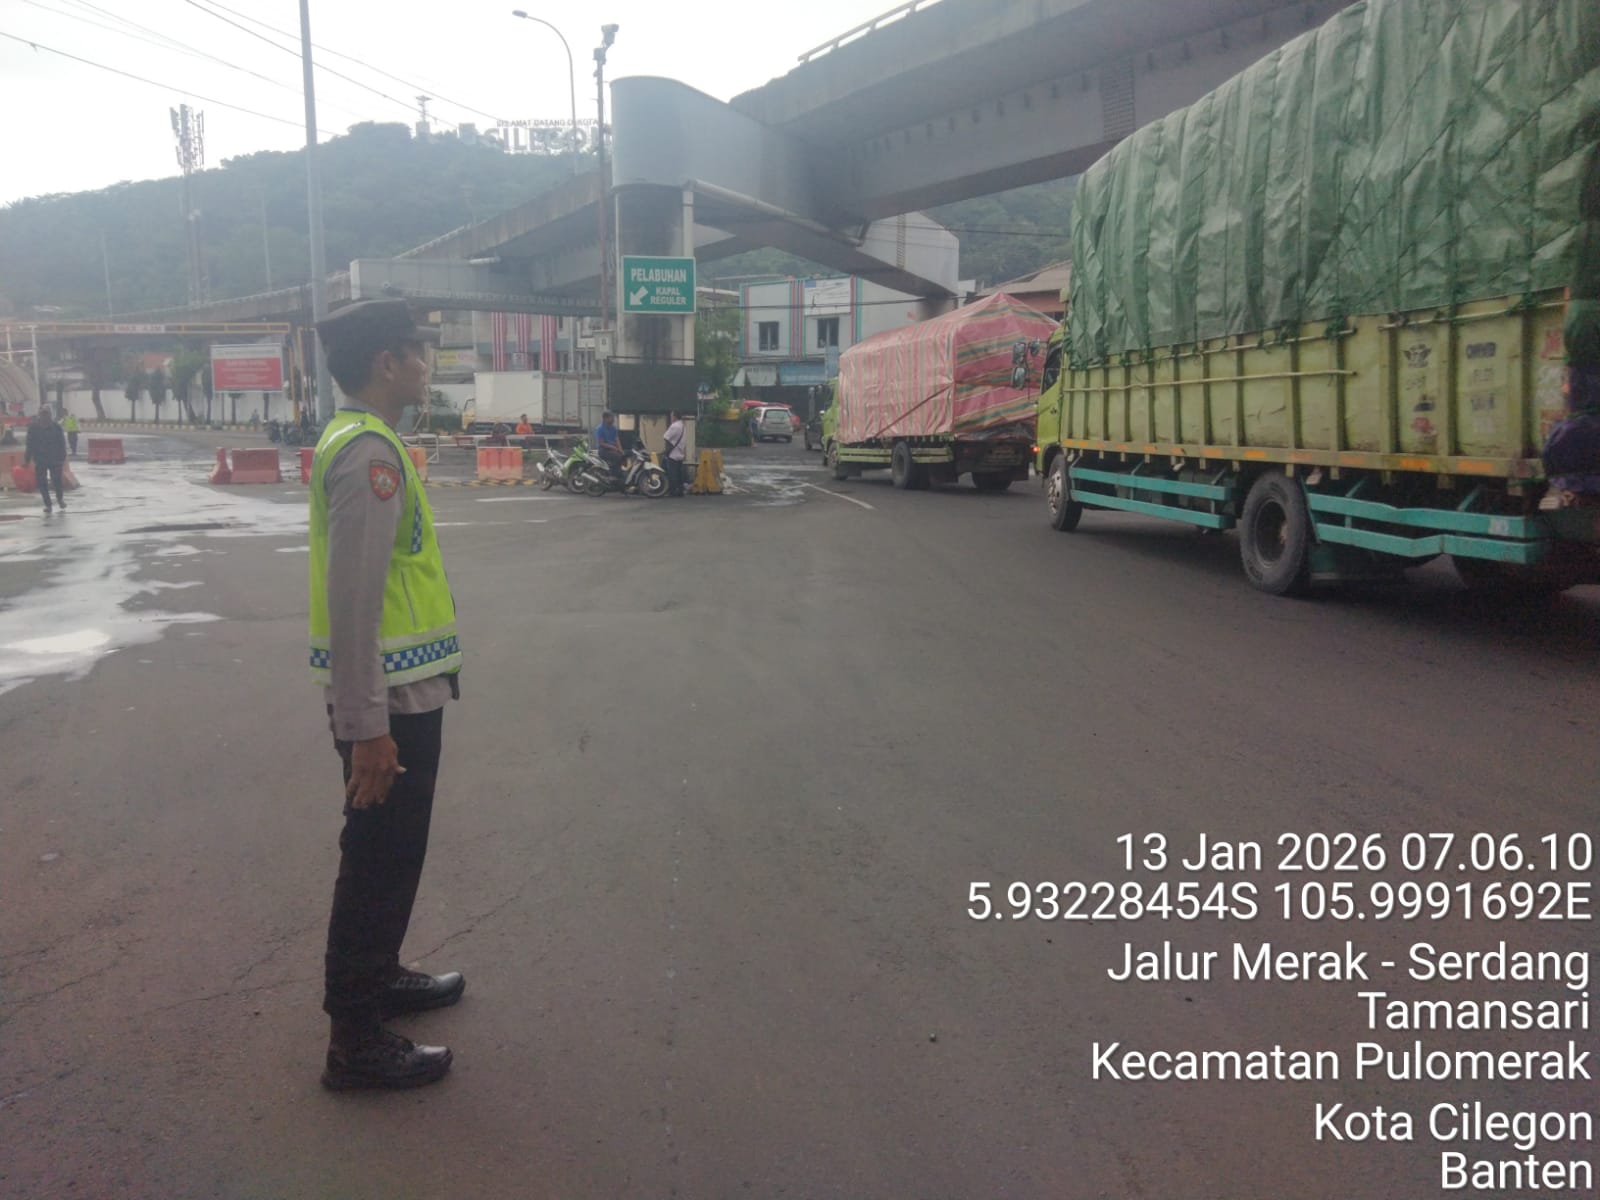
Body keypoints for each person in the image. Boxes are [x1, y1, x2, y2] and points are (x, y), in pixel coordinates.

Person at [307, 299, 464, 1092]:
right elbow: (355, 601)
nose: (426, 366)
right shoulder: (368, 453)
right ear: (385, 363)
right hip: (387, 705)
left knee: (396, 855)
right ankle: (355, 1039)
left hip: (405, 692)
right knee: (376, 859)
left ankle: (380, 976)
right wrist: (366, 727)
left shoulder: (372, 440)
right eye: (417, 352)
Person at [24, 408, 67, 513]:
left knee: (56, 480)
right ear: (39, 416)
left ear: (50, 416)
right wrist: (27, 460)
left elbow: (62, 443)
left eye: (47, 415)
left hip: (55, 459)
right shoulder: (33, 428)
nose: (45, 417)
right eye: (43, 415)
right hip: (40, 459)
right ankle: (48, 505)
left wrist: (62, 458)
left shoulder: (56, 427)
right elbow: (29, 444)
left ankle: (60, 499)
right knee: (42, 482)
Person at [662, 410, 687, 498]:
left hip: (673, 453)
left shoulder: (674, 426)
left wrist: (666, 450)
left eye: (672, 416)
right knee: (679, 474)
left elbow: (666, 437)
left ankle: (672, 491)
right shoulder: (682, 426)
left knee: (672, 473)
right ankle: (680, 491)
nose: (671, 417)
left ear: (675, 417)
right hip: (680, 453)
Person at [594, 410, 624, 479]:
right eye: (611, 417)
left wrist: (621, 449)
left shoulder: (613, 428)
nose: (613, 419)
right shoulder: (600, 429)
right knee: (616, 456)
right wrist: (613, 447)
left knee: (624, 455)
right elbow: (601, 443)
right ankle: (613, 475)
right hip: (603, 450)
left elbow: (617, 439)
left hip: (612, 448)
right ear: (605, 418)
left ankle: (619, 473)